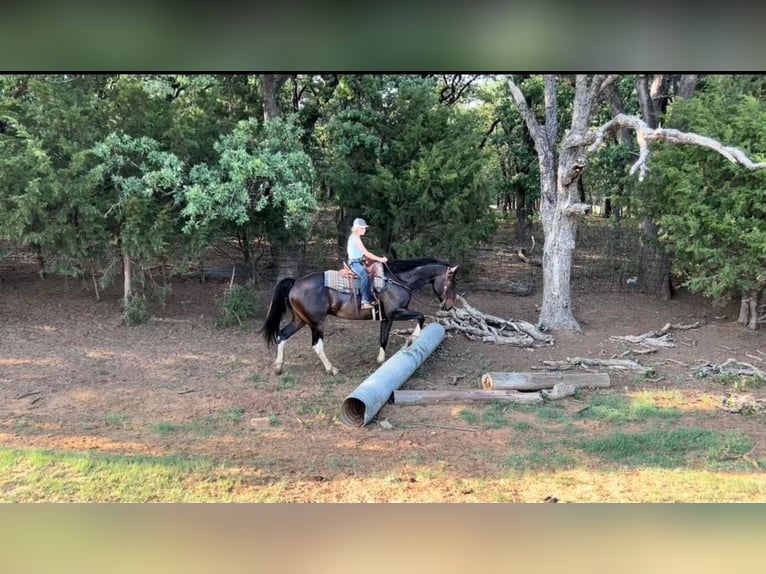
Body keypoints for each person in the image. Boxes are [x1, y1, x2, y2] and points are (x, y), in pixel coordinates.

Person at [347, 218, 388, 309]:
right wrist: (380, 259)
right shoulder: (355, 238)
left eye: (364, 228)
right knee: (364, 275)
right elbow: (367, 253)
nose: (364, 230)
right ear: (357, 229)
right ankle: (365, 302)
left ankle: (371, 297)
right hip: (354, 263)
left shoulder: (355, 237)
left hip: (358, 261)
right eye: (363, 228)